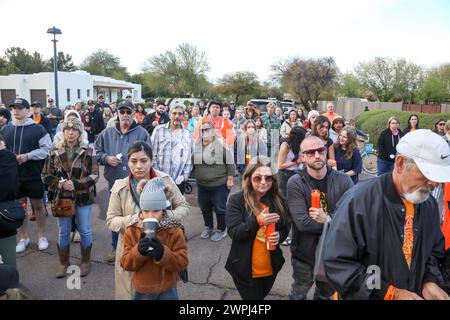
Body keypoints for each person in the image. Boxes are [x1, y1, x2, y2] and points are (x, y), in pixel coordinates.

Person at [324, 129, 450, 300]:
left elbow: (433, 253)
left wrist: (429, 281)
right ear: (400, 163)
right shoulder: (359, 201)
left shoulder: (428, 204)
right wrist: (389, 293)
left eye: (437, 177)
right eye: (426, 174)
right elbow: (339, 264)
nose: (434, 183)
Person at [106, 141, 189, 300]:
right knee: (130, 291)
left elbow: (183, 206)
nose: (138, 166)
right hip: (131, 245)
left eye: (144, 161)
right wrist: (137, 219)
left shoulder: (165, 180)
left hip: (165, 244)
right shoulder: (120, 186)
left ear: (152, 161)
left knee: (164, 288)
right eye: (133, 161)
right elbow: (111, 220)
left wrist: (164, 219)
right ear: (127, 162)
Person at [286, 136, 353, 300]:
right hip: (304, 253)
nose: (317, 155)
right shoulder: (296, 182)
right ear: (302, 157)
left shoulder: (344, 180)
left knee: (325, 295)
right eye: (310, 152)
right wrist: (336, 223)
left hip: (334, 254)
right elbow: (303, 224)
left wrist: (327, 219)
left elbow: (352, 220)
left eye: (320, 150)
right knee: (298, 293)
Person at [225, 156, 290, 300]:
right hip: (245, 267)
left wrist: (280, 235)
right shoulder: (237, 200)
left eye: (268, 178)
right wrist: (258, 221)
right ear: (248, 178)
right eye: (257, 178)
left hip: (271, 265)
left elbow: (285, 227)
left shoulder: (279, 200)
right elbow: (234, 232)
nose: (263, 182)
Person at [95, 100, 152, 264]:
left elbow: (149, 156)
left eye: (129, 112)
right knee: (117, 217)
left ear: (134, 114)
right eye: (122, 112)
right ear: (117, 114)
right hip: (115, 183)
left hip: (137, 183)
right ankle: (116, 248)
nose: (125, 115)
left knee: (139, 216)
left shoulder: (142, 133)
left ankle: (142, 247)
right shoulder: (107, 133)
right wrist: (106, 158)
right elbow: (97, 151)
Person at [42, 117, 99, 278]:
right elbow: (45, 175)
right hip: (62, 198)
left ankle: (85, 262)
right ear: (63, 132)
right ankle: (63, 262)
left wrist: (76, 183)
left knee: (85, 230)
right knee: (63, 231)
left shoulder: (88, 151)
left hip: (83, 197)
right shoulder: (53, 152)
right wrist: (59, 184)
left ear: (79, 132)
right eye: (67, 129)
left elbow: (95, 175)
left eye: (74, 129)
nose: (70, 132)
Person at [120, 178, 188, 300]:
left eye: (156, 211)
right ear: (141, 209)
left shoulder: (174, 230)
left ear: (163, 209)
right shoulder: (132, 230)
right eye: (146, 211)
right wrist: (138, 252)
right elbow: (125, 263)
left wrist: (163, 253)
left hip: (167, 288)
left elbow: (182, 263)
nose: (150, 216)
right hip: (142, 289)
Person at [1, 98, 52, 254]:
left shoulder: (38, 129)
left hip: (33, 174)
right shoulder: (6, 129)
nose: (16, 110)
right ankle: (23, 238)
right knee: (20, 207)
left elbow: (47, 149)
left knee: (38, 206)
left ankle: (42, 236)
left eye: (20, 108)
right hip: (14, 176)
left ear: (27, 110)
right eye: (14, 108)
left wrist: (28, 156)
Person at [194, 121, 235, 242]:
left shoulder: (220, 144)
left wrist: (230, 179)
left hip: (219, 184)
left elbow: (230, 162)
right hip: (202, 185)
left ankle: (221, 229)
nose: (204, 132)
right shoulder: (197, 145)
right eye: (202, 130)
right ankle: (208, 227)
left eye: (207, 129)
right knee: (205, 207)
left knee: (220, 208)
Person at [151, 105, 194, 194]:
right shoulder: (159, 130)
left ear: (183, 116)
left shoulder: (188, 134)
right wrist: (157, 175)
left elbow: (190, 158)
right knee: (160, 207)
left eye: (180, 114)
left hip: (179, 181)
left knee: (177, 207)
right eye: (174, 113)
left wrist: (184, 177)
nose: (177, 116)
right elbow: (152, 154)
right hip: (159, 179)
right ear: (170, 115)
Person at [0, 135, 19, 268]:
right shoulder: (10, 157)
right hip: (7, 213)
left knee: (9, 261)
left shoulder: (8, 158)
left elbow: (9, 186)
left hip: (5, 215)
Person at [277, 126, 307, 197]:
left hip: (299, 173)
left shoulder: (301, 144)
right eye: (304, 137)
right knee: (285, 199)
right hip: (285, 174)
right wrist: (297, 161)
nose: (305, 139)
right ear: (298, 138)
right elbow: (280, 165)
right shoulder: (286, 145)